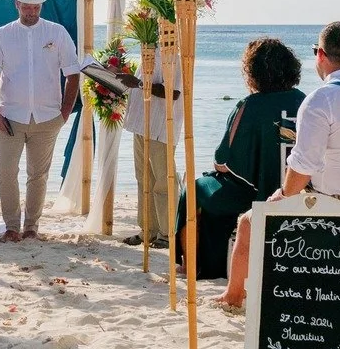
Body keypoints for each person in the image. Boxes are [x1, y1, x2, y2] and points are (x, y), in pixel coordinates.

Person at [174, 37, 302, 302]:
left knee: (195, 189)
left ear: (253, 72)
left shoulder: (249, 106)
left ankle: (191, 265)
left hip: (252, 196)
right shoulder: (306, 102)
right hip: (297, 190)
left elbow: (224, 161)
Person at [0, 0, 87, 242]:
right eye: (26, 6)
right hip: (9, 117)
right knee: (5, 173)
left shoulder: (57, 32)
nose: (31, 10)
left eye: (35, 6)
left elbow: (72, 73)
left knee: (38, 176)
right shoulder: (2, 35)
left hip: (47, 117)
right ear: (17, 4)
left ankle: (31, 228)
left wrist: (64, 113)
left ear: (41, 5)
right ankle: (10, 227)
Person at [121, 41, 180, 251]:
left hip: (160, 126)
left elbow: (174, 93)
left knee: (163, 181)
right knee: (143, 178)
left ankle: (166, 232)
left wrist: (137, 84)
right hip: (141, 123)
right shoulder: (149, 51)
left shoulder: (174, 55)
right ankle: (148, 230)